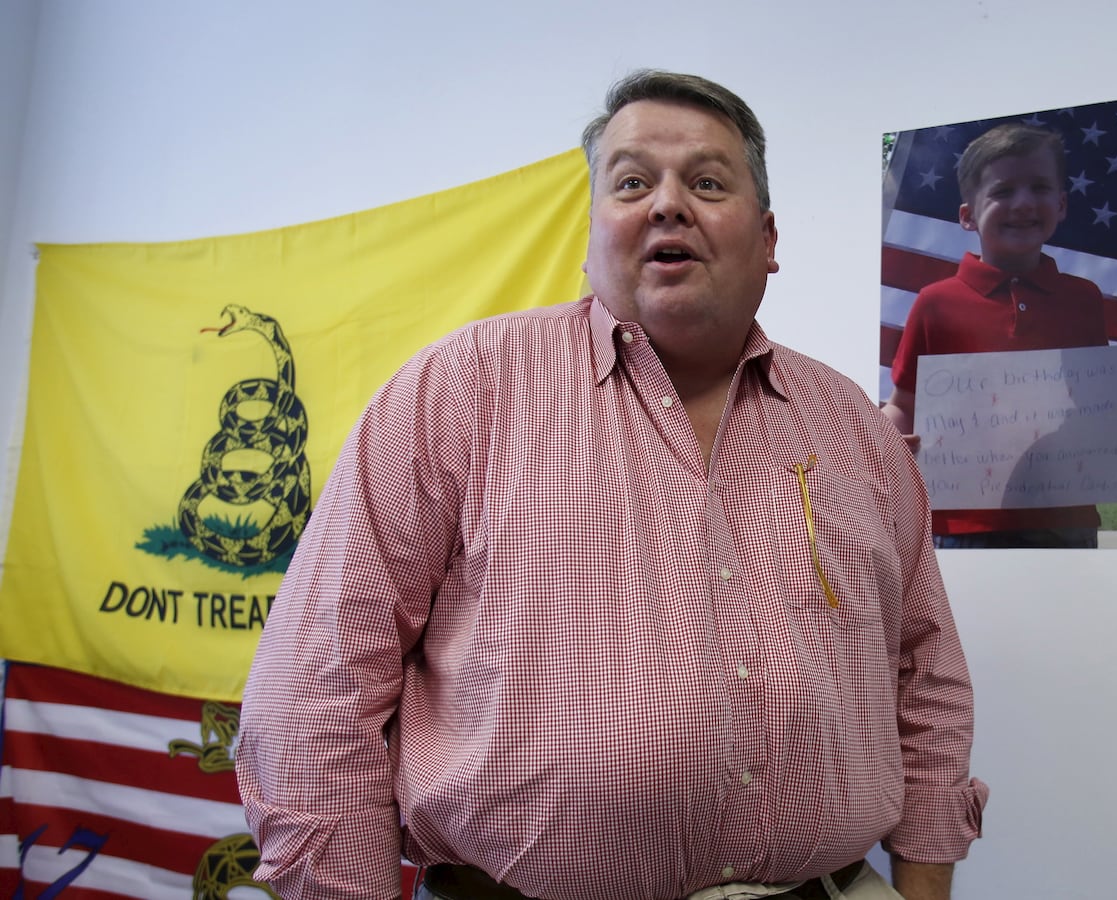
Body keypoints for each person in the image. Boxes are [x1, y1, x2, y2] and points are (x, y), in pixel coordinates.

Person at [236, 70, 986, 900]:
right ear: (593, 230)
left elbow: (927, 671)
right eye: (632, 183)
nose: (667, 204)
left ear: (768, 239)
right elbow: (313, 689)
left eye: (706, 181)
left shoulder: (851, 428)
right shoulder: (460, 391)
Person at [881, 123, 1117, 548]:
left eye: (1040, 187)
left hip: (1067, 520)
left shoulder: (1083, 299)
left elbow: (1098, 411)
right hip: (962, 525)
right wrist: (886, 441)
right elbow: (905, 405)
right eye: (1003, 191)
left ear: (1061, 204)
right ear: (967, 215)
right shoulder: (935, 303)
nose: (1024, 202)